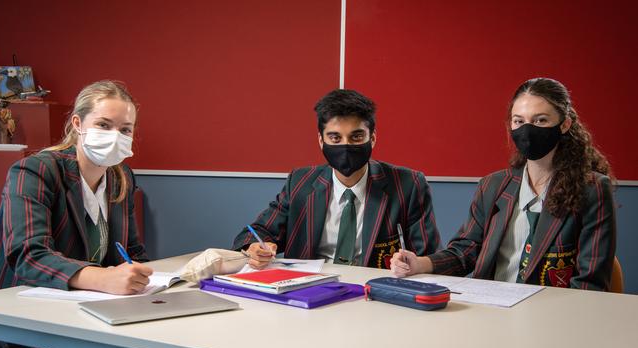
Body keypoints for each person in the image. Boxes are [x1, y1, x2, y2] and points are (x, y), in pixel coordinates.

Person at [391, 77, 616, 291]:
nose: (528, 130)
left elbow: (589, 283)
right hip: (492, 311)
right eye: (519, 121)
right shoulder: (493, 185)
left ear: (565, 124)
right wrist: (420, 264)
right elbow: (466, 251)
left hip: (552, 318)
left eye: (540, 120)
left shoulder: (592, 189)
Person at [0, 80, 152, 348]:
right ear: (77, 123)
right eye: (103, 125)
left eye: (125, 129)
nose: (116, 135)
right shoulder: (36, 170)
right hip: (33, 330)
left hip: (95, 317)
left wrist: (140, 278)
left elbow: (132, 250)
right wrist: (103, 278)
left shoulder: (120, 177)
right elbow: (28, 255)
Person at [233, 89, 440, 269]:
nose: (346, 145)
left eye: (356, 137)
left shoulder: (408, 185)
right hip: (309, 296)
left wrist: (411, 263)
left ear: (373, 138)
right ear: (321, 141)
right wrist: (255, 248)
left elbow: (430, 258)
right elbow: (257, 232)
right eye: (335, 138)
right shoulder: (300, 182)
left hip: (374, 298)